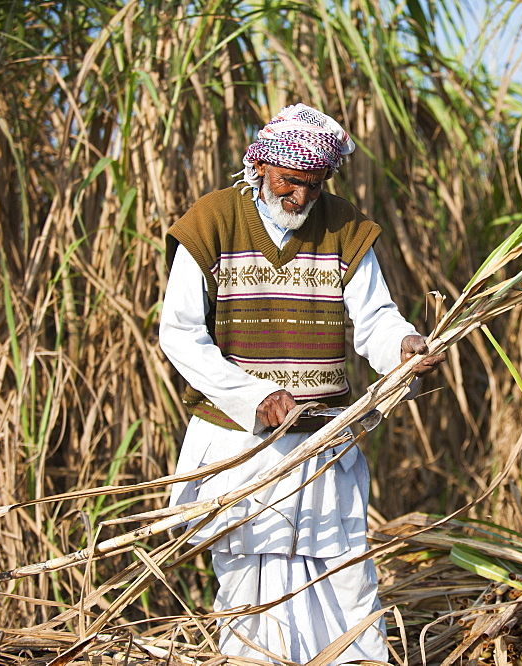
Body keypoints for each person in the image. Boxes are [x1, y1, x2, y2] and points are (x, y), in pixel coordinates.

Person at [159, 103, 444, 664]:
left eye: (314, 187)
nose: (301, 199)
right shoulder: (212, 220)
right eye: (290, 183)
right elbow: (180, 332)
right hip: (241, 448)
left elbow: (377, 318)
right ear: (261, 166)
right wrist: (255, 397)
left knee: (340, 578)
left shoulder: (344, 226)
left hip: (320, 442)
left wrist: (404, 347)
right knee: (248, 582)